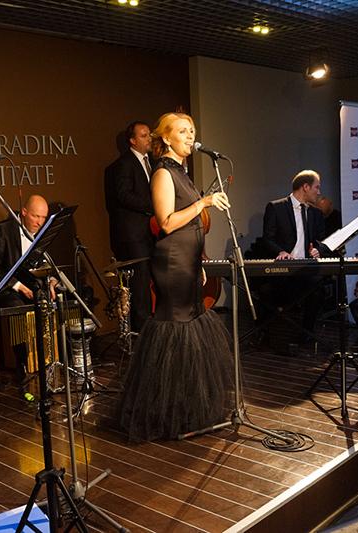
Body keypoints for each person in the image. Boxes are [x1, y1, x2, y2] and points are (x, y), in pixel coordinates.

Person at [118, 112, 233, 442]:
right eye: (182, 131)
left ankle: (188, 408)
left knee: (194, 323)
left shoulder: (182, 172)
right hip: (171, 264)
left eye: (192, 130)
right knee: (176, 328)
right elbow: (167, 222)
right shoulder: (162, 174)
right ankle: (166, 411)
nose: (190, 135)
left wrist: (198, 262)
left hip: (188, 262)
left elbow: (193, 227)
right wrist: (204, 202)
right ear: (166, 138)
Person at [0, 194, 57, 369]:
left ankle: (57, 356)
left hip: (30, 286)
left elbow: (43, 264)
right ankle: (24, 361)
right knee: (16, 304)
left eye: (43, 218)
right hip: (2, 290)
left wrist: (51, 281)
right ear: (24, 212)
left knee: (65, 295)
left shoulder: (40, 234)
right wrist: (18, 286)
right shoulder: (1, 233)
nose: (40, 222)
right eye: (35, 216)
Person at [259, 170, 328, 344]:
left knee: (318, 289)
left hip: (305, 270)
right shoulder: (276, 207)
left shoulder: (316, 213)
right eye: (316, 187)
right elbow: (267, 238)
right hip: (282, 270)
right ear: (305, 187)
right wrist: (280, 251)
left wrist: (318, 249)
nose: (319, 192)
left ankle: (307, 334)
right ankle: (262, 334)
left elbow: (322, 241)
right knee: (265, 291)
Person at [104, 121, 155, 332]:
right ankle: (142, 333)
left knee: (150, 284)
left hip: (150, 232)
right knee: (140, 287)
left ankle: (152, 328)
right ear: (132, 140)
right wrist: (155, 206)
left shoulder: (152, 162)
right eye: (144, 135)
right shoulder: (123, 164)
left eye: (149, 134)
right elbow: (124, 196)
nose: (149, 138)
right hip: (133, 236)